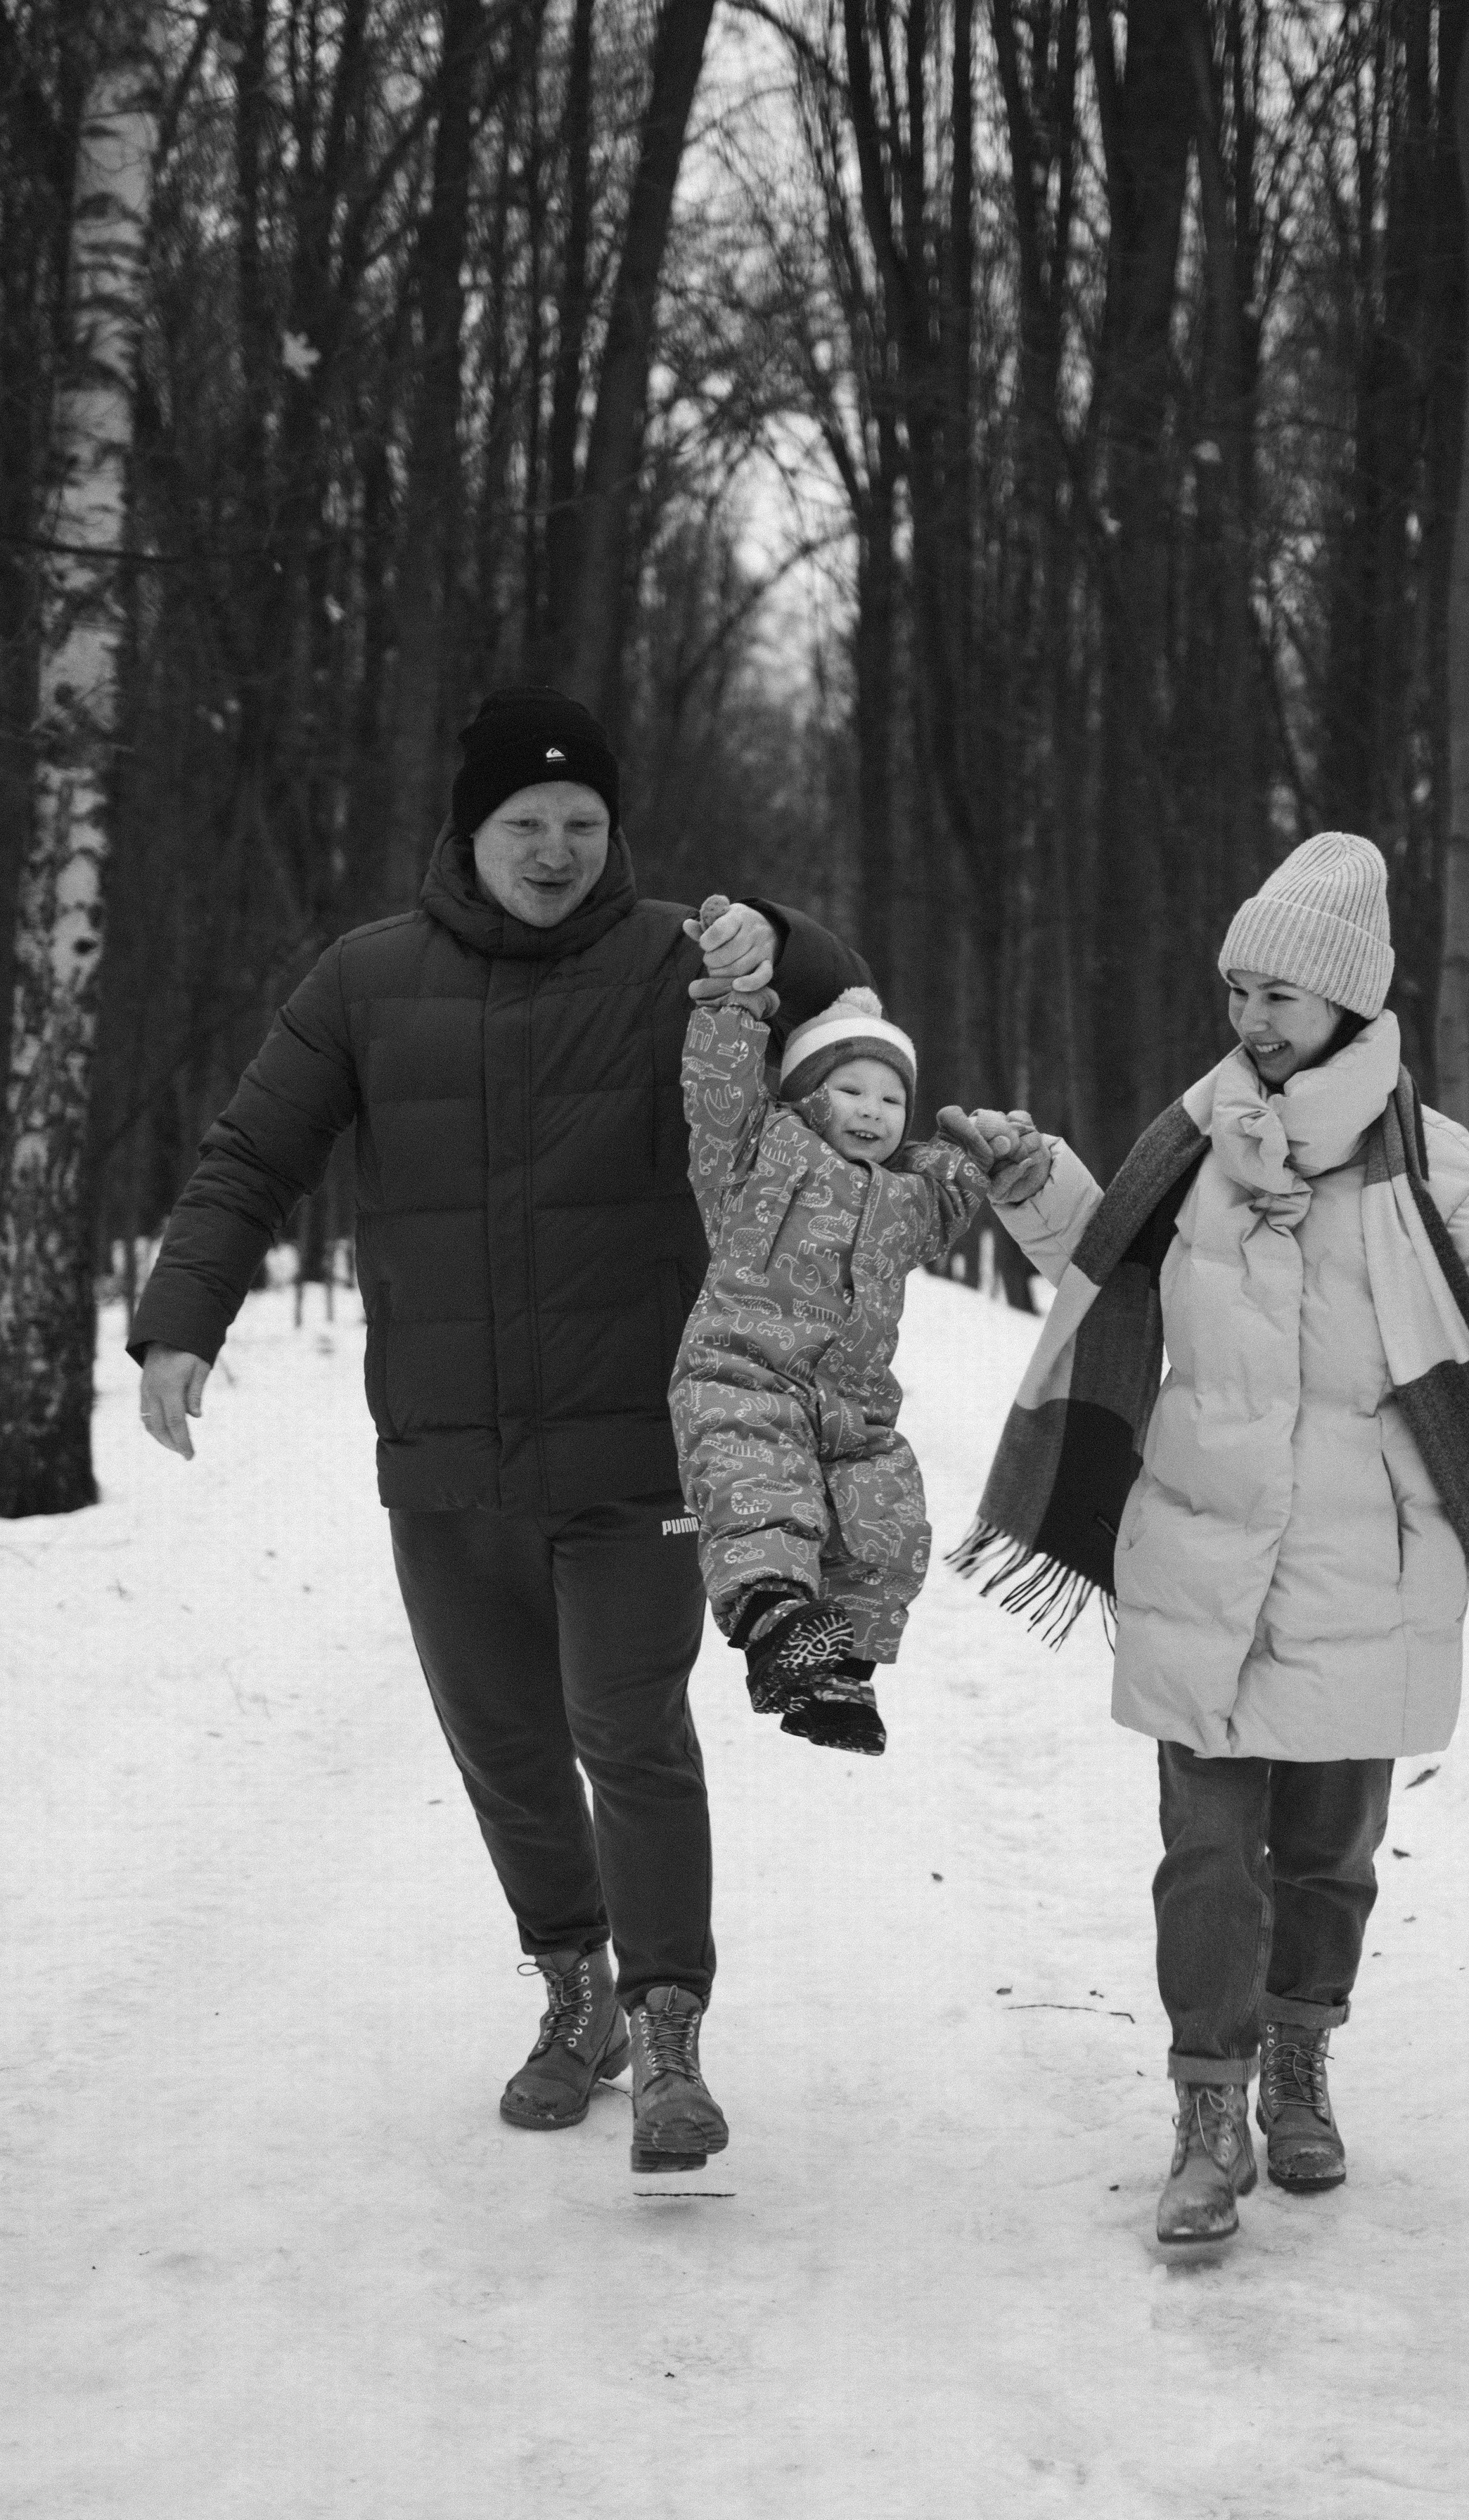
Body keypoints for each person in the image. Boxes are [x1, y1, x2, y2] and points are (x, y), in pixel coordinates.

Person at [944, 830, 1469, 2249]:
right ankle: (1206, 2109)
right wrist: (1030, 1178)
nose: (1251, 1019)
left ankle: (1298, 2055)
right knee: (1202, 1850)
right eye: (1238, 988)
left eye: (1280, 994)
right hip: (1196, 1562)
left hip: (1365, 1579)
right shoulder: (1186, 1138)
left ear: (1352, 1005)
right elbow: (1103, 1262)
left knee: (1326, 1854)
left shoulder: (1431, 1163)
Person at [130, 686, 868, 2173]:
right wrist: (177, 1318)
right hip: (446, 1444)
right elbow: (249, 1154)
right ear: (467, 833)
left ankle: (668, 2032)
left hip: (639, 1441)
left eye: (581, 823)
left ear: (614, 832)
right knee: (510, 1746)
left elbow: (846, 1005)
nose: (552, 848)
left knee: (628, 1728)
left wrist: (774, 941)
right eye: (522, 823)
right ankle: (572, 1992)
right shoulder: (363, 980)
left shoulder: (679, 960)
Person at [670, 931, 992, 1756]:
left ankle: (833, 1671)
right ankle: (778, 1617)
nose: (872, 1110)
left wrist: (986, 1154)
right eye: (850, 1088)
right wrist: (734, 1007)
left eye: (891, 1099)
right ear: (808, 1092)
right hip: (743, 1373)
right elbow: (716, 1097)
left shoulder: (903, 1199)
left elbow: (951, 1204)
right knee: (764, 1492)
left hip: (852, 1406)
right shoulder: (761, 1153)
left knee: (888, 1522)